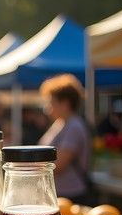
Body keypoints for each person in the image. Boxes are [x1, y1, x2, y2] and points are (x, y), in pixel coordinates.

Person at [39, 74, 94, 205]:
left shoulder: (74, 126)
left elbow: (60, 164)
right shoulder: (60, 123)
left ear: (65, 103)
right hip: (59, 193)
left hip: (71, 195)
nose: (48, 108)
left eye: (51, 102)